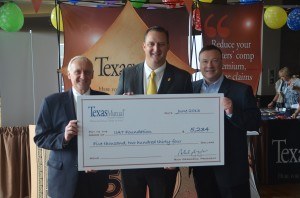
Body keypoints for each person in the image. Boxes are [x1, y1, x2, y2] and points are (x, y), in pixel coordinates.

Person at [115, 26, 193, 198]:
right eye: (151, 44)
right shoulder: (127, 74)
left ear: (168, 46)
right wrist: (122, 106)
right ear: (144, 46)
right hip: (132, 159)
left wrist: (177, 156)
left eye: (161, 44)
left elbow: (188, 121)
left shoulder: (182, 78)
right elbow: (115, 115)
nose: (156, 49)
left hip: (166, 161)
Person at [34, 56, 109, 198]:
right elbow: (40, 137)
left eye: (87, 72)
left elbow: (113, 136)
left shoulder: (105, 100)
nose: (83, 76)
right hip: (63, 179)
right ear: (68, 74)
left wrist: (127, 103)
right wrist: (64, 137)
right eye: (77, 72)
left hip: (95, 178)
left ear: (92, 74)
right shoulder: (51, 102)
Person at [192, 45, 261, 198]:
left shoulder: (241, 90)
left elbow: (255, 122)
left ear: (222, 63)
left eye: (214, 61)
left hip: (232, 170)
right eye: (204, 61)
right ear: (199, 64)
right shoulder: (191, 89)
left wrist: (232, 112)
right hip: (202, 168)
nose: (209, 66)